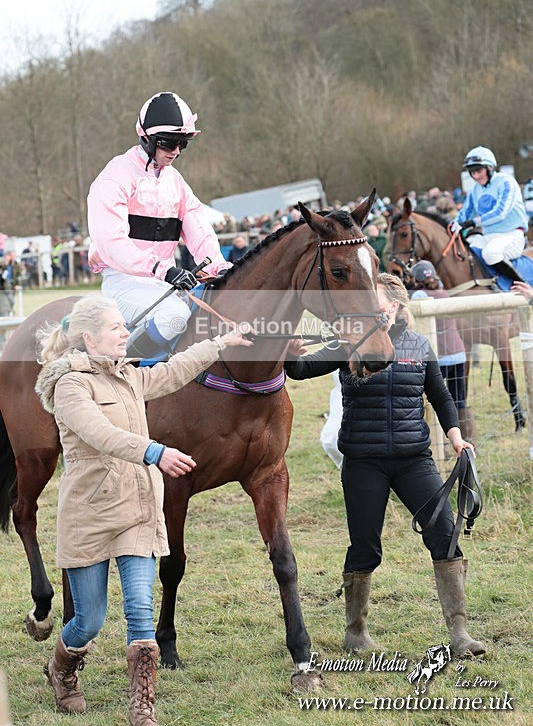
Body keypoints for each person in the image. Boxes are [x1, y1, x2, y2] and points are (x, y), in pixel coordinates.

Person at [34, 295, 252, 724]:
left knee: (140, 610)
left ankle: (142, 705)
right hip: (90, 514)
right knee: (89, 621)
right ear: (89, 338)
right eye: (117, 328)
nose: (125, 333)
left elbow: (173, 373)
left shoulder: (129, 375)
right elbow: (99, 433)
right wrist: (154, 451)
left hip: (137, 507)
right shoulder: (69, 386)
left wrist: (220, 344)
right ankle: (61, 670)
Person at [285, 273, 485, 657]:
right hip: (363, 460)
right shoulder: (349, 343)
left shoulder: (418, 346)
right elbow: (300, 371)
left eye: (371, 300)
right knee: (365, 547)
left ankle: (460, 634)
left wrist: (455, 435)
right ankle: (355, 632)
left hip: (414, 459)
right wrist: (292, 353)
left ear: (393, 305)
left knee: (445, 534)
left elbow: (441, 397)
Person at [87, 91, 232, 359]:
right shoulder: (114, 177)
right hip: (123, 280)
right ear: (146, 138)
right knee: (174, 317)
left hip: (162, 281)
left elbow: (200, 231)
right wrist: (162, 269)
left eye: (182, 144)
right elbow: (112, 243)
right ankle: (121, 377)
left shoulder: (175, 182)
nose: (175, 152)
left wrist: (218, 265)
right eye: (169, 143)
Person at [410, 260, 475, 442]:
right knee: (459, 401)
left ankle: (440, 443)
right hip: (459, 353)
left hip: (439, 356)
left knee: (434, 401)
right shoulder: (443, 290)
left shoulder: (420, 295)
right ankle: (467, 439)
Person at [451, 146, 528, 283]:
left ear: (490, 168)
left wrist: (472, 223)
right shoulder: (475, 190)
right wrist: (453, 224)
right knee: (465, 251)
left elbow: (500, 213)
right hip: (488, 236)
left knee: (490, 254)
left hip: (512, 235)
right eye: (472, 173)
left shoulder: (506, 182)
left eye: (479, 171)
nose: (475, 176)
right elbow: (465, 213)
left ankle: (523, 285)